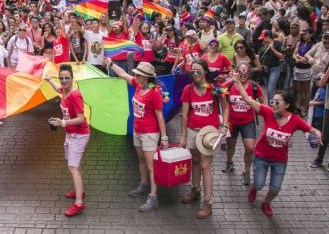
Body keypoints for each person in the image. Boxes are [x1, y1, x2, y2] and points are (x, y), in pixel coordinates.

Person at [229, 71, 321, 216]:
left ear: (287, 105)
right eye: (273, 101)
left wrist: (317, 134)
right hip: (261, 156)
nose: (273, 104)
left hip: (279, 160)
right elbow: (247, 98)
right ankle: (254, 188)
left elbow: (311, 130)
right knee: (259, 184)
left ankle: (266, 202)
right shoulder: (268, 112)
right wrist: (237, 82)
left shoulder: (295, 120)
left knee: (275, 188)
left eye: (277, 102)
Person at [106, 59, 168, 212]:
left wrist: (164, 137)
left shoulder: (154, 93)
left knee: (151, 166)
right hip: (137, 131)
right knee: (141, 160)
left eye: (138, 75)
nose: (135, 76)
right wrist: (111, 63)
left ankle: (153, 197)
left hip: (149, 133)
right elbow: (123, 74)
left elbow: (160, 116)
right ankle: (143, 184)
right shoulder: (138, 85)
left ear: (146, 77)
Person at [179, 59, 228, 219]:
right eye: (192, 71)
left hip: (209, 133)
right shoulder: (188, 89)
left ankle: (208, 203)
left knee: (206, 166)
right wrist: (183, 136)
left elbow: (226, 106)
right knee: (195, 160)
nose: (195, 74)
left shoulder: (214, 89)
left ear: (206, 72)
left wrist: (225, 126)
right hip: (193, 131)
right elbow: (185, 114)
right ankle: (195, 190)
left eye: (198, 70)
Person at [44, 65, 89, 217]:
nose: (63, 81)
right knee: (73, 165)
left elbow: (81, 118)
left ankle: (78, 203)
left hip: (79, 135)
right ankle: (80, 191)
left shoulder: (76, 95)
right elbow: (58, 89)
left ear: (72, 78)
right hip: (70, 134)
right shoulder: (64, 89)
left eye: (67, 78)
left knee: (73, 167)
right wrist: (50, 81)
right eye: (61, 78)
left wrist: (62, 123)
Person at [222, 62, 267, 184]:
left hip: (248, 121)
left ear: (249, 73)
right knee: (231, 145)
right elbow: (218, 93)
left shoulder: (254, 86)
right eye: (240, 71)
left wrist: (269, 117)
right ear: (236, 72)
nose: (243, 74)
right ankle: (229, 162)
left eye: (246, 71)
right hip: (232, 121)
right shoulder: (229, 85)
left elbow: (264, 103)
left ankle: (246, 171)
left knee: (250, 148)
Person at [293, 28, 314, 117]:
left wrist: (302, 59)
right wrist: (297, 58)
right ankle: (298, 107)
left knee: (306, 90)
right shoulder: (299, 43)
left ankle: (305, 108)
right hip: (298, 68)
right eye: (303, 34)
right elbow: (294, 54)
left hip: (307, 69)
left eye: (306, 34)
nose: (304, 36)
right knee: (299, 90)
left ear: (311, 35)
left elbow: (310, 58)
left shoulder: (313, 45)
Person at [258, 30, 284, 101]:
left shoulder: (277, 44)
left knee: (271, 89)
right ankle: (271, 106)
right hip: (265, 70)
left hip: (274, 69)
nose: (263, 39)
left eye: (263, 38)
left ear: (268, 37)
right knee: (268, 90)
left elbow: (281, 56)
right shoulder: (264, 44)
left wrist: (273, 49)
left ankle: (273, 108)